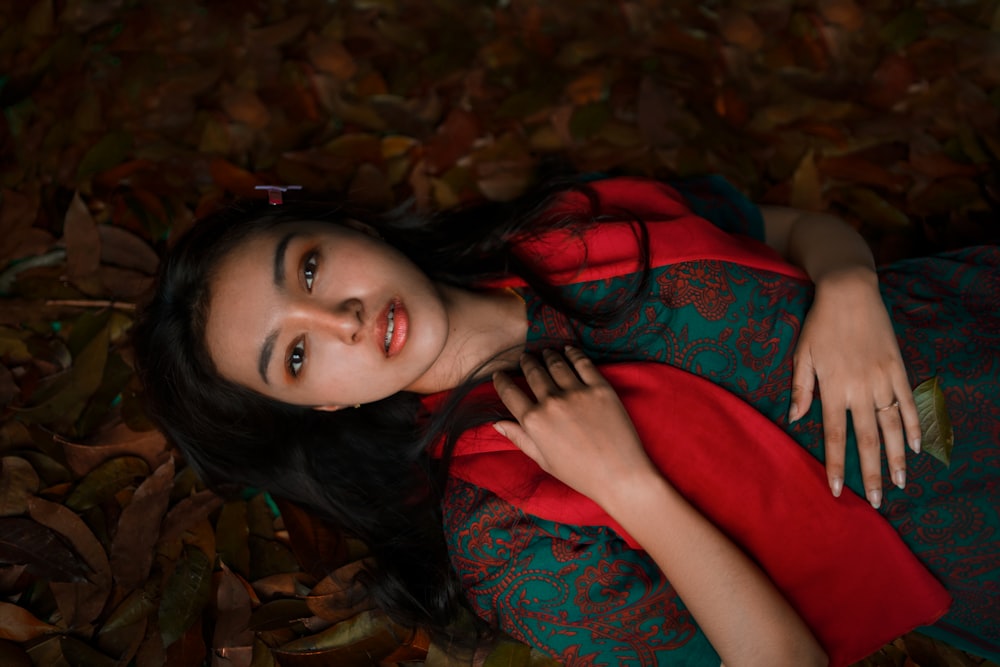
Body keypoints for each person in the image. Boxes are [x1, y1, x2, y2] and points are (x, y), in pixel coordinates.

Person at [132, 174, 999, 666]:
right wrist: (634, 490)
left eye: (311, 270)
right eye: (295, 356)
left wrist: (848, 285)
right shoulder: (510, 537)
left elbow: (801, 224)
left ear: (346, 225)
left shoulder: (562, 225)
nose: (342, 321)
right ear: (322, 405)